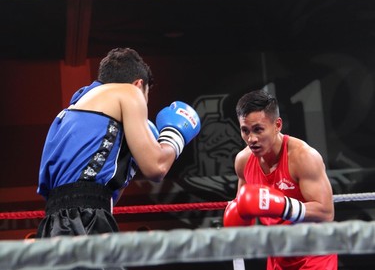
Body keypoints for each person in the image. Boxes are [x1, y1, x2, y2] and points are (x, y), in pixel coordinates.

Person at [36, 47, 201, 238]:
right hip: (85, 220)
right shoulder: (129, 92)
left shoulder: (74, 110)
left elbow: (106, 195)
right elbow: (156, 167)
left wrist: (129, 160)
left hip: (52, 223)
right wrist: (175, 135)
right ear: (139, 84)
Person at [223, 89, 337, 269]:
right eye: (245, 131)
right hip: (278, 256)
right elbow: (243, 209)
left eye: (258, 130)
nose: (251, 138)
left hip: (315, 254)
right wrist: (238, 221)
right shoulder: (243, 162)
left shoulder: (303, 157)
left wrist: (282, 206)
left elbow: (326, 212)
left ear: (277, 125)